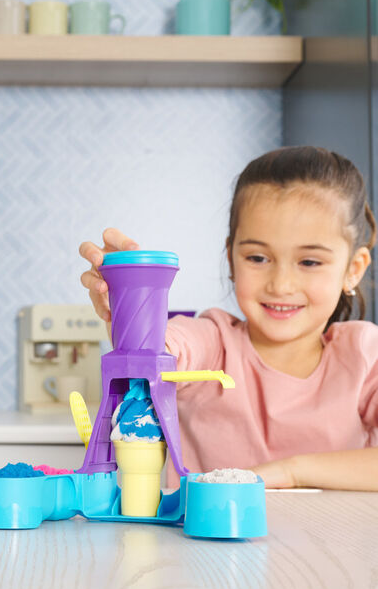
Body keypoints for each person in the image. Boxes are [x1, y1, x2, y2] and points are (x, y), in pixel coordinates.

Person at [80, 146, 378, 490]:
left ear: (353, 269)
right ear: (231, 259)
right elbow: (150, 353)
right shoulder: (212, 343)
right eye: (257, 257)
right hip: (205, 546)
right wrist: (128, 295)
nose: (281, 285)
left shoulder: (364, 356)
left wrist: (290, 472)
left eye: (309, 262)